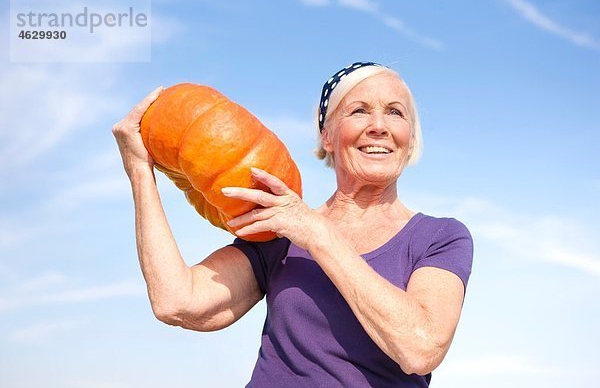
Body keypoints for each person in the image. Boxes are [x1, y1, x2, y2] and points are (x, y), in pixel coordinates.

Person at [112, 61, 474, 388]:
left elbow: (420, 348)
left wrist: (318, 234)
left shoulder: (439, 237)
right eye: (359, 111)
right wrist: (140, 172)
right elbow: (176, 302)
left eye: (395, 113)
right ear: (327, 136)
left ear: (409, 139)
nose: (378, 126)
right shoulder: (279, 228)